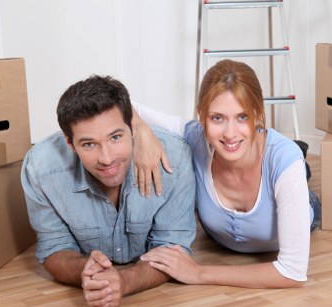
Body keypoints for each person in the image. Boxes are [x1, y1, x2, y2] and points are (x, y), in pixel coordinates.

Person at [133, 59, 321, 289]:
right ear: (202, 116)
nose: (230, 133)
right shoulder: (195, 135)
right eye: (217, 118)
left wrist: (199, 273)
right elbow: (123, 104)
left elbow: (292, 273)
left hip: (290, 182)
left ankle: (299, 157)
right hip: (221, 238)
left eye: (242, 117)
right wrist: (142, 130)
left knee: (294, 167)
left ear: (258, 114)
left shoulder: (283, 161)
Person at [20, 75, 196, 307]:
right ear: (69, 143)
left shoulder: (174, 158)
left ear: (133, 127)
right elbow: (54, 247)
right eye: (89, 144)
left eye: (115, 137)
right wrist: (86, 271)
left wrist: (124, 281)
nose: (107, 158)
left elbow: (172, 248)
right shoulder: (41, 168)